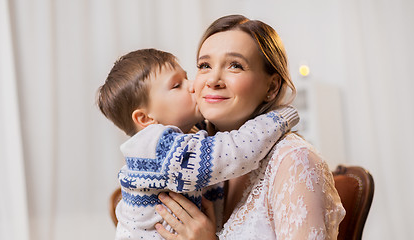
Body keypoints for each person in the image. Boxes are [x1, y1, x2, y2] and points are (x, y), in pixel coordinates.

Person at [154, 15, 346, 240]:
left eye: (235, 66)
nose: (213, 80)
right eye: (204, 65)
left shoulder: (295, 161)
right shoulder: (192, 159)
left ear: (272, 87)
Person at [96, 48, 300, 239]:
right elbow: (234, 150)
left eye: (187, 77)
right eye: (177, 85)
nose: (193, 85)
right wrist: (278, 118)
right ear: (145, 118)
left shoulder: (178, 139)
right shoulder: (160, 148)